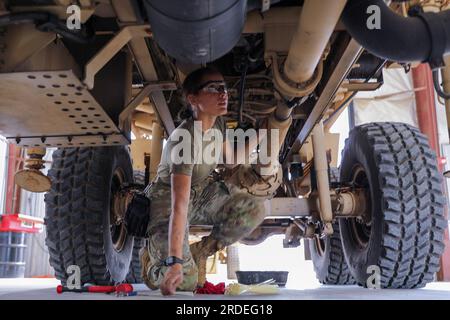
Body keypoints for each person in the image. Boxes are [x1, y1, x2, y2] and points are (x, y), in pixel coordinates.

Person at [139, 66, 266, 296]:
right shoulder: (185, 140)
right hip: (167, 199)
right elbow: (179, 206)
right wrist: (175, 262)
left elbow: (230, 160)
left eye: (224, 87)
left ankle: (201, 251)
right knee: (184, 282)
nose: (223, 93)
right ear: (193, 99)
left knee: (254, 209)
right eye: (213, 88)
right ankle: (152, 266)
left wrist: (263, 132)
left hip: (200, 193)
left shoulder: (217, 123)